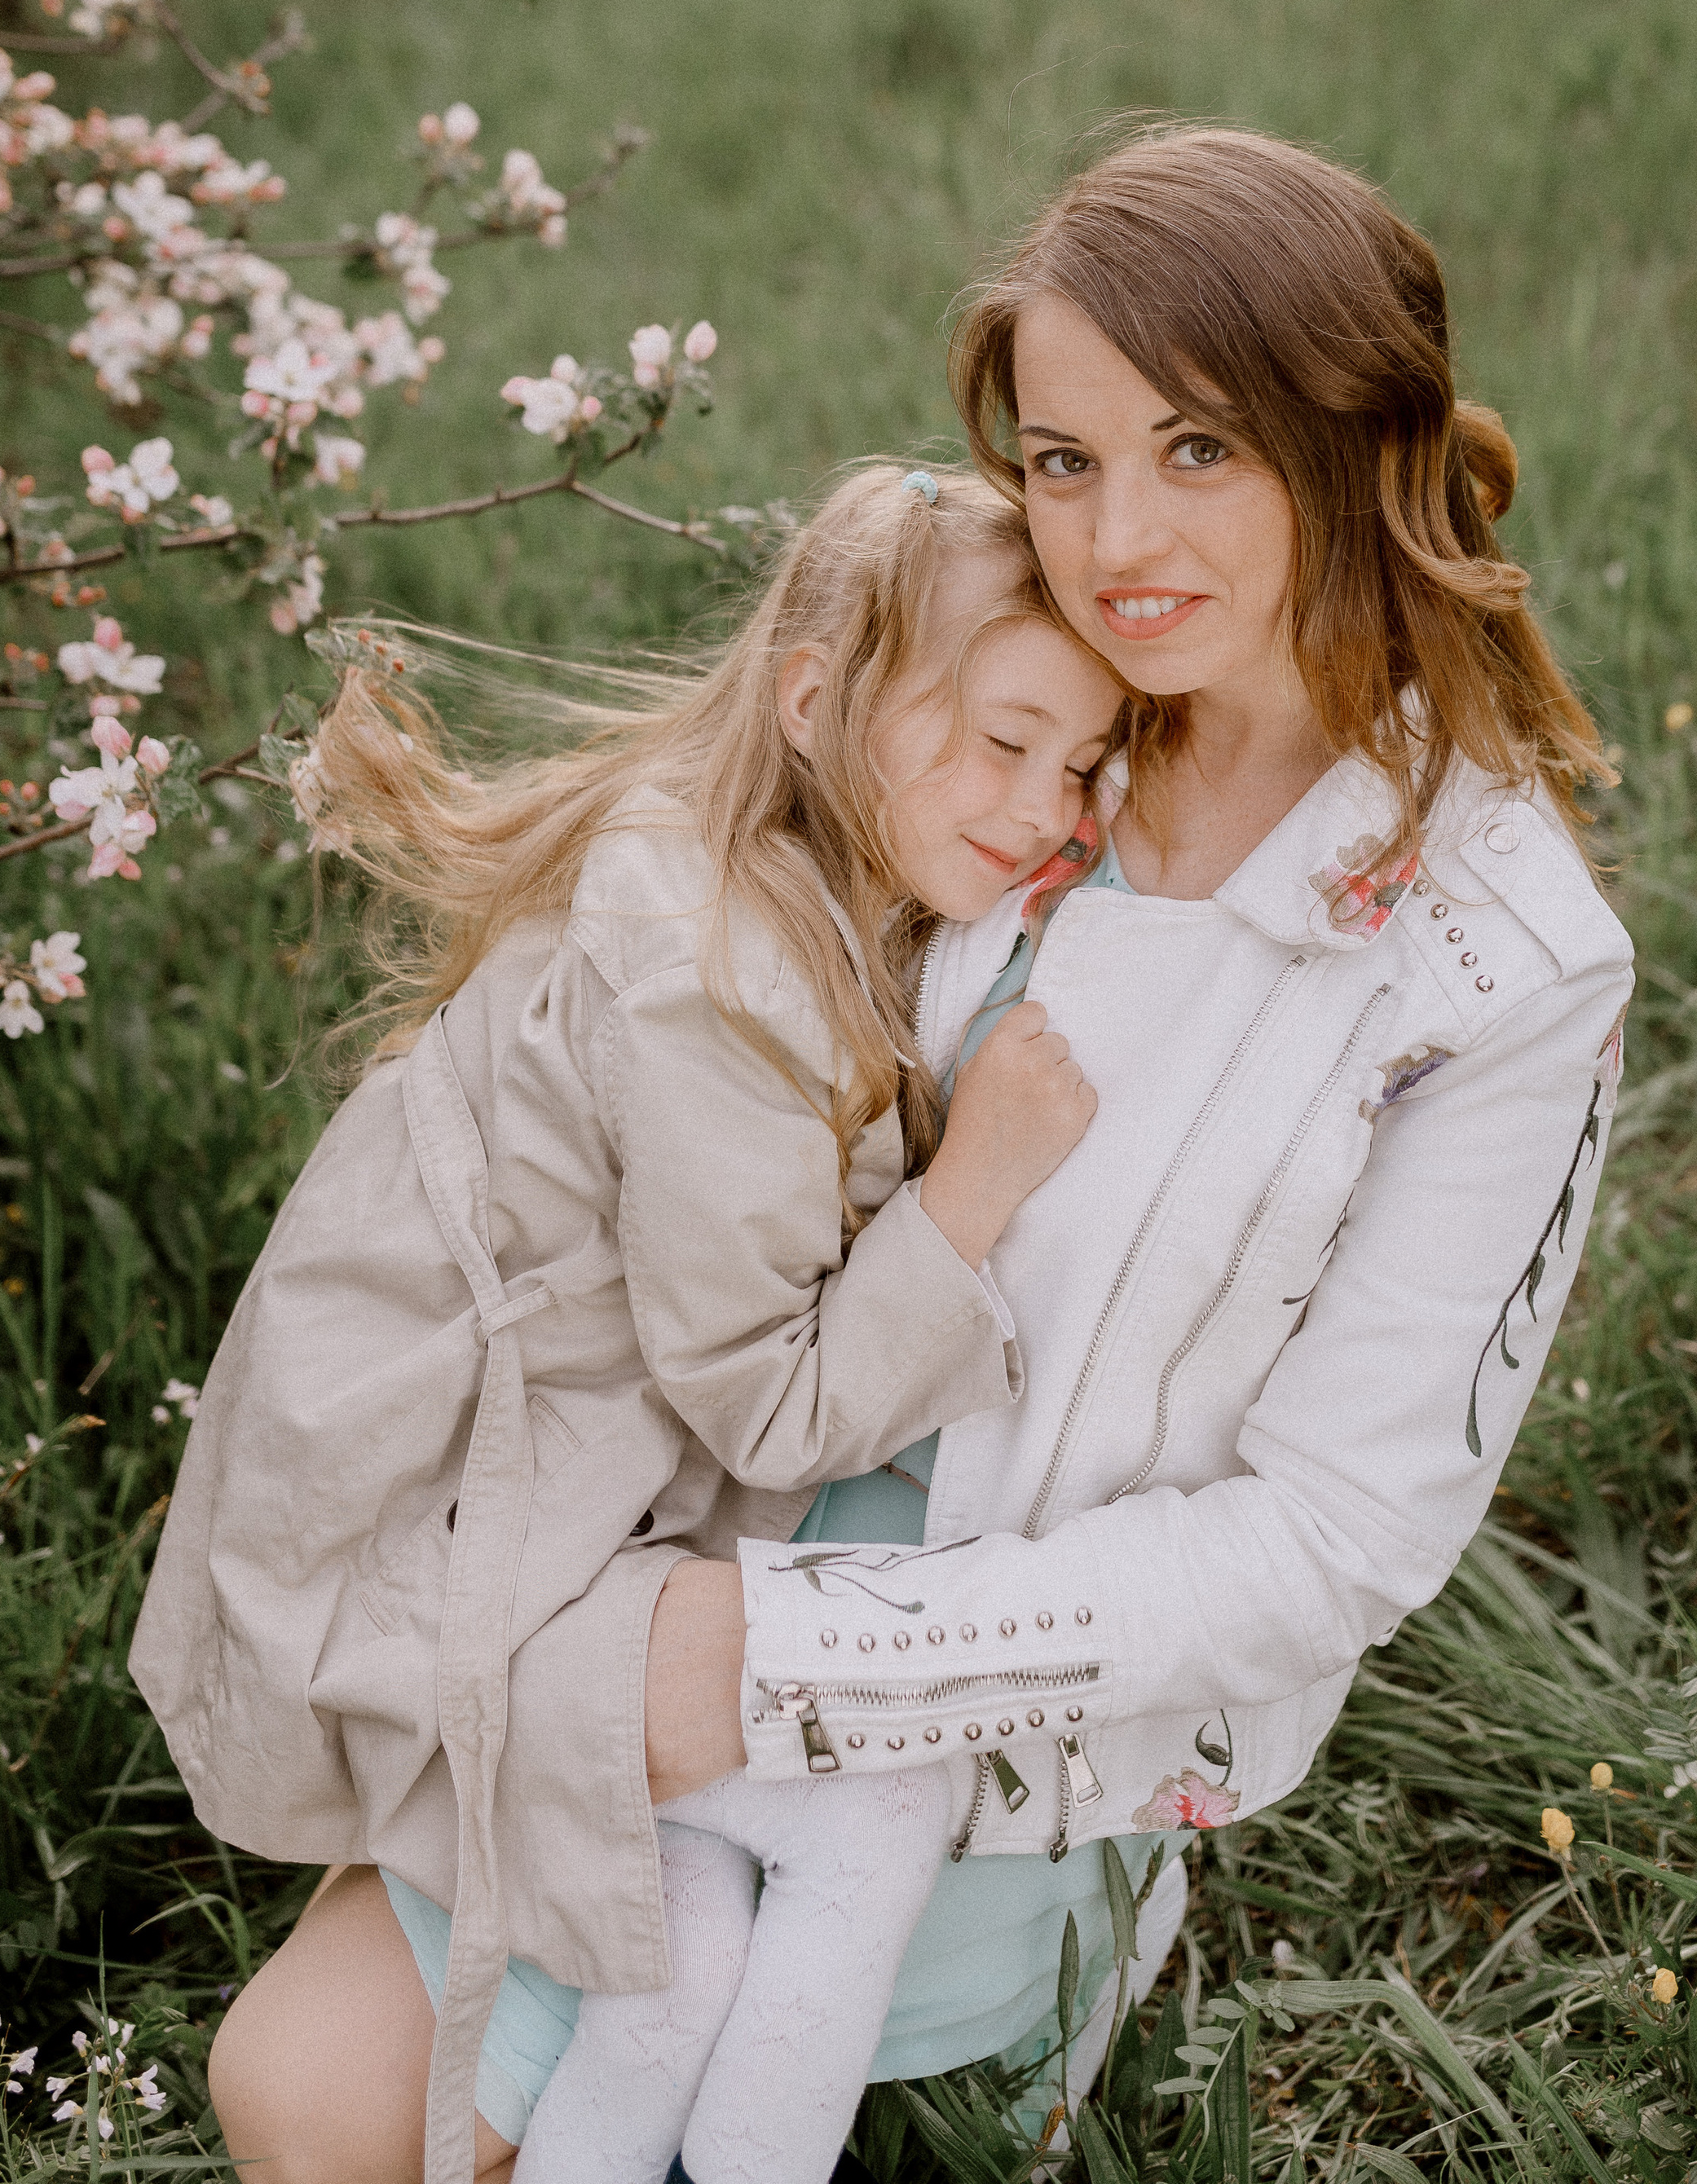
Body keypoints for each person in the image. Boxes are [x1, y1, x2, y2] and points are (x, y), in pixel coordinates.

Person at [201, 125, 1635, 2184]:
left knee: (625, 2089)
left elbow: (1333, 1540)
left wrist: (775, 1659)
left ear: (1362, 437)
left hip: (996, 1705)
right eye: (1061, 459)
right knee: (305, 2100)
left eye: (1200, 450)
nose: (1116, 538)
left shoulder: (1495, 962)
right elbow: (700, 908)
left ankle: (1043, 1962)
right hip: (668, 1530)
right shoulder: (1015, 690)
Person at [134, 463, 1123, 2184]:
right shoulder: (717, 981)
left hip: (540, 1493)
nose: (1049, 806)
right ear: (816, 701)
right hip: (460, 1531)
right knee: (835, 1837)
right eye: (1000, 741)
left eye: (1085, 764)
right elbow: (771, 1411)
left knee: (684, 1948)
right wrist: (974, 1190)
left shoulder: (767, 869)